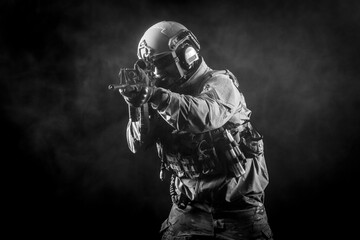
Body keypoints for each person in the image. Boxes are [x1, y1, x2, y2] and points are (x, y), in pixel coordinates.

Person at [118, 20, 273, 240]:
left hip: (238, 213)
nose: (155, 72)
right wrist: (138, 105)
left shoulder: (221, 84)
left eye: (160, 63)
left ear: (185, 55)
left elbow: (202, 116)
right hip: (188, 210)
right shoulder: (162, 94)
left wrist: (155, 96)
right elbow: (137, 143)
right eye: (149, 65)